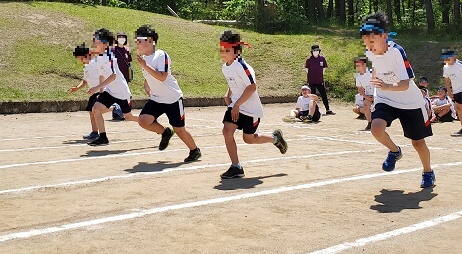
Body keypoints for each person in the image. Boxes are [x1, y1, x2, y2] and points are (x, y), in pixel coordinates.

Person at [360, 11, 435, 188]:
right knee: (376, 128)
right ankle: (394, 151)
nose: (369, 47)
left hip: (410, 102)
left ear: (384, 36)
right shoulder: (371, 53)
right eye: (366, 43)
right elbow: (378, 69)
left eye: (372, 42)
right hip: (386, 98)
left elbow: (405, 83)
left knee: (418, 142)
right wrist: (378, 83)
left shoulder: (396, 52)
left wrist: (386, 85)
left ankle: (428, 171)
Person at [219, 30, 288, 179]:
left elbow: (251, 87)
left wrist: (236, 105)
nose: (222, 52)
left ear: (236, 51)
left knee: (248, 139)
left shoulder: (243, 67)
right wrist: (228, 95)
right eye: (221, 49)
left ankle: (275, 138)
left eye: (226, 50)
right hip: (236, 105)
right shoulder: (225, 67)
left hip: (251, 110)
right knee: (227, 131)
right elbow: (235, 83)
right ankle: (236, 167)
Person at [134, 24, 202, 162]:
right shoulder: (144, 59)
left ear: (151, 40)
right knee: (143, 121)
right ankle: (165, 132)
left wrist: (145, 66)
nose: (137, 43)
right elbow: (149, 77)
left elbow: (162, 76)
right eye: (136, 40)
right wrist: (146, 85)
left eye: (139, 40)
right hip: (157, 99)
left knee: (180, 129)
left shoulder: (161, 55)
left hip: (172, 99)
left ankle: (195, 151)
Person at [87, 28, 138, 146]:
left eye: (96, 40)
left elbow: (113, 76)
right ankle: (103, 137)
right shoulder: (99, 56)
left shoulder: (110, 55)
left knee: (129, 117)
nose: (94, 42)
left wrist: (96, 88)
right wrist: (100, 92)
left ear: (105, 43)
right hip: (110, 91)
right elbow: (101, 75)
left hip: (121, 92)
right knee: (95, 109)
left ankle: (153, 123)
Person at [69, 43, 104, 141]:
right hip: (93, 92)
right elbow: (85, 81)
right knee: (91, 112)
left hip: (101, 91)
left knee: (95, 110)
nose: (80, 61)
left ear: (87, 54)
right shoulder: (86, 67)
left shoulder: (96, 63)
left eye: (81, 58)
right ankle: (94, 132)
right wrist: (77, 87)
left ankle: (116, 108)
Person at [305, 44, 335, 115]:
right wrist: (312, 75)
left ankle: (328, 109)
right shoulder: (309, 60)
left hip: (319, 80)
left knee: (324, 94)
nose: (316, 52)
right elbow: (307, 69)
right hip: (312, 81)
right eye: (314, 51)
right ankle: (314, 110)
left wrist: (320, 75)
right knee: (313, 96)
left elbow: (324, 68)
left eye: (317, 50)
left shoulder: (322, 58)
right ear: (312, 51)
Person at [112, 31, 134, 121]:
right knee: (117, 95)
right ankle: (117, 113)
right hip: (116, 77)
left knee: (124, 95)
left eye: (123, 37)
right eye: (119, 37)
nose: (121, 38)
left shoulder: (126, 50)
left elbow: (129, 62)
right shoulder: (114, 50)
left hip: (125, 76)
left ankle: (120, 113)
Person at [354, 56, 374, 130]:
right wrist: (366, 97)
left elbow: (379, 84)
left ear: (364, 65)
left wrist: (375, 95)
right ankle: (370, 123)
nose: (357, 67)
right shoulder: (358, 76)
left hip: (378, 94)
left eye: (359, 65)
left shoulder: (372, 72)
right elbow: (360, 88)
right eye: (356, 66)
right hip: (368, 95)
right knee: (365, 105)